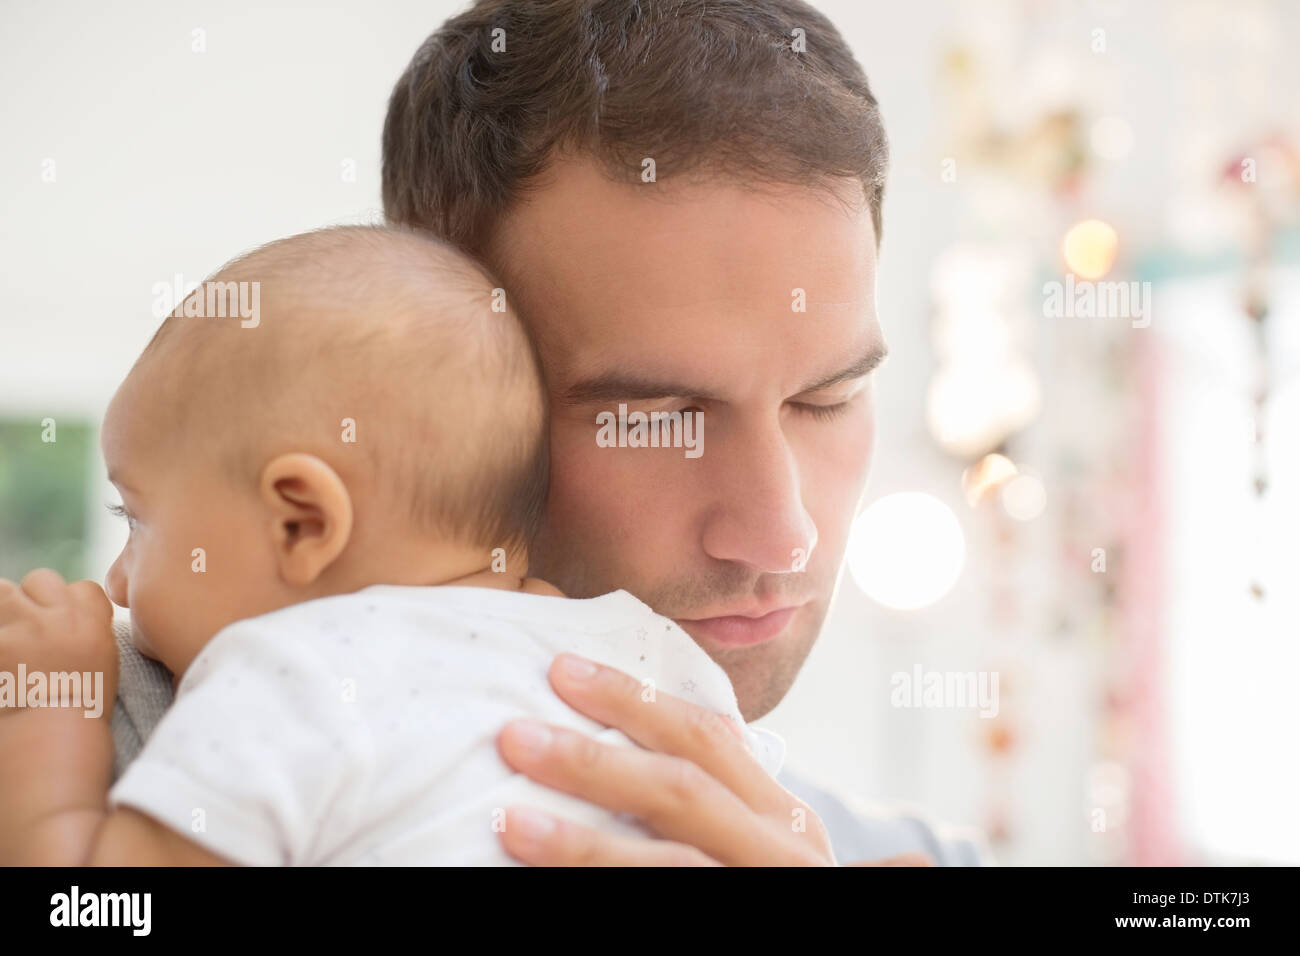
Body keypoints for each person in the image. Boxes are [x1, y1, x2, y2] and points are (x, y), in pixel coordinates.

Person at [116, 0, 989, 865]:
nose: (781, 533)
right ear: (442, 386)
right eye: (658, 418)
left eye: (827, 399)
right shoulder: (90, 753)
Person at [0, 225, 787, 865]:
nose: (120, 582)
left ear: (301, 523)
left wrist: (48, 706)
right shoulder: (640, 652)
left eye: (137, 519)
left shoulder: (283, 676)